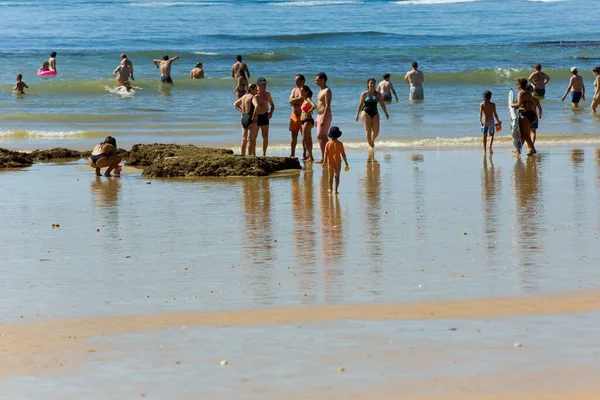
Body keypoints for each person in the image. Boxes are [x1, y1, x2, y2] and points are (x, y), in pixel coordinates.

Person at [356, 78, 389, 150]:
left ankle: (372, 140)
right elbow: (360, 104)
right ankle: (370, 146)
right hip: (365, 112)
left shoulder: (378, 94)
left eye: (373, 83)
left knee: (376, 131)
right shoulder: (364, 94)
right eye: (371, 83)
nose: (372, 84)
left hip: (375, 112)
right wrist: (357, 114)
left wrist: (386, 113)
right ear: (368, 84)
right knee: (368, 130)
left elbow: (382, 104)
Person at [511, 77, 538, 156]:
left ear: (519, 85)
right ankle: (518, 150)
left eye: (517, 84)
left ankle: (533, 149)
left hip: (525, 115)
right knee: (524, 134)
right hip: (531, 114)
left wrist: (511, 104)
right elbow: (530, 104)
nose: (516, 85)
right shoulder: (528, 93)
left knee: (525, 134)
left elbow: (518, 105)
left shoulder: (521, 93)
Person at [234, 83, 258, 156]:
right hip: (250, 118)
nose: (257, 91)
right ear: (251, 89)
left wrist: (242, 111)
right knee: (250, 139)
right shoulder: (253, 97)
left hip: (244, 118)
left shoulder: (244, 96)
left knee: (244, 139)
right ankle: (249, 156)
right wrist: (254, 116)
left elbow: (235, 104)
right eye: (255, 89)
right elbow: (256, 106)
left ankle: (242, 155)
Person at [322, 126, 349, 194]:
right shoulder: (340, 144)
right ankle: (336, 190)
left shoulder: (328, 143)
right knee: (337, 176)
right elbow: (343, 154)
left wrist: (324, 161)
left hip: (330, 162)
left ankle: (330, 189)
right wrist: (346, 162)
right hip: (338, 163)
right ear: (338, 135)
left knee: (330, 176)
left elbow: (325, 153)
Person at [252, 77, 274, 156]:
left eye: (265, 84)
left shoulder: (267, 94)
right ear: (258, 85)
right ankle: (253, 154)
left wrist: (271, 112)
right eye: (263, 84)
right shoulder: (254, 95)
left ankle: (263, 154)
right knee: (254, 136)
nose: (265, 86)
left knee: (265, 136)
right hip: (256, 116)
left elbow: (272, 105)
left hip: (265, 116)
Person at [315, 72, 332, 164]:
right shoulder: (321, 91)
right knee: (322, 137)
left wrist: (324, 119)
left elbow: (327, 106)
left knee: (321, 136)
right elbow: (319, 105)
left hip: (325, 115)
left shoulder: (327, 91)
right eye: (316, 80)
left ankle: (324, 158)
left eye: (318, 80)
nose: (316, 81)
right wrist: (316, 118)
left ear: (323, 80)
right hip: (319, 115)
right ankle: (327, 156)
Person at [289, 74, 305, 158]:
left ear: (303, 81)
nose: (296, 83)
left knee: (304, 137)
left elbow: (307, 101)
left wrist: (294, 101)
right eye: (295, 81)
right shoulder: (294, 90)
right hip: (294, 115)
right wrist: (298, 99)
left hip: (303, 116)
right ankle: (292, 154)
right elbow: (290, 101)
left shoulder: (306, 90)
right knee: (293, 137)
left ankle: (305, 154)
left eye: (298, 81)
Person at [300, 84, 316, 162]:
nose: (301, 93)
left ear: (307, 92)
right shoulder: (304, 100)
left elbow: (314, 106)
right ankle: (310, 156)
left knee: (304, 140)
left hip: (308, 121)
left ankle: (310, 157)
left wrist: (309, 111)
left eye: (302, 91)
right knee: (308, 139)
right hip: (303, 121)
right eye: (300, 91)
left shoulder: (308, 99)